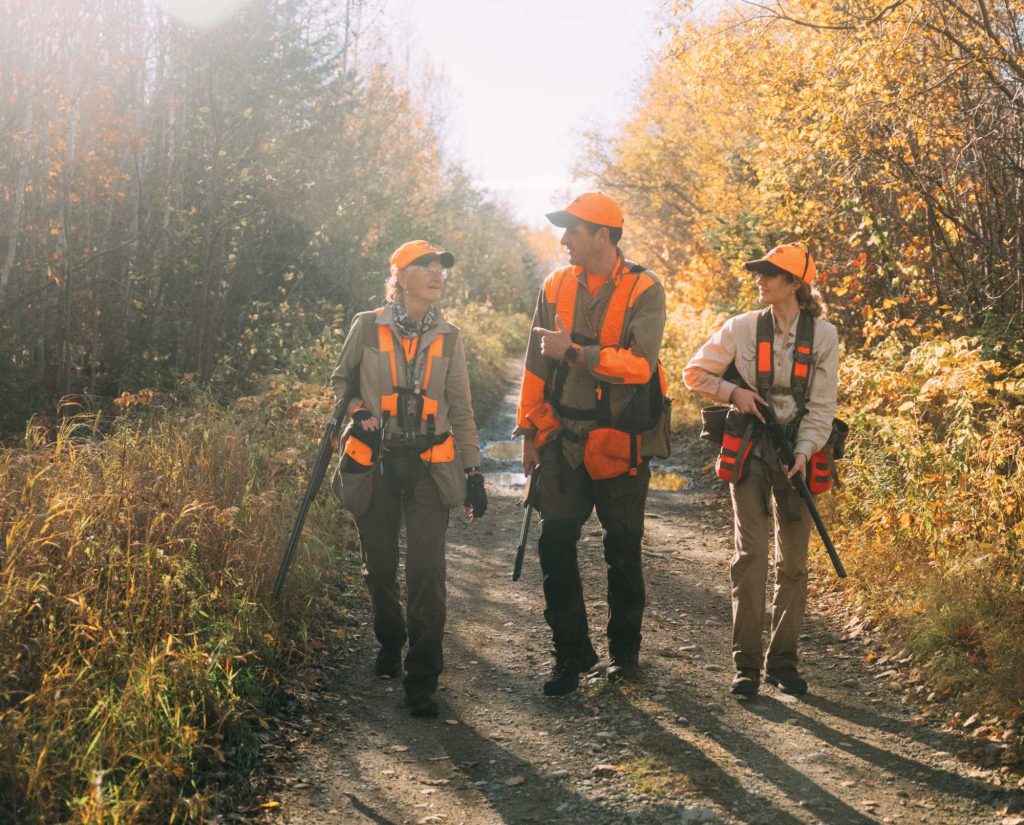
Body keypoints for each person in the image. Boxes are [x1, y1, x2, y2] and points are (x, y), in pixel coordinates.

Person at [515, 192, 669, 696]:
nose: (563, 240)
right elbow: (536, 365)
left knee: (622, 551)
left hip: (621, 442)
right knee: (554, 543)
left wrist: (578, 352)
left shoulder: (646, 289)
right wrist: (530, 432)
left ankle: (624, 654)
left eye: (572, 231)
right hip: (561, 438)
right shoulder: (555, 284)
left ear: (602, 235)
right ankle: (571, 654)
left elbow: (641, 366)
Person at [330, 240, 488, 717]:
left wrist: (474, 470)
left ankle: (422, 677)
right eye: (426, 265)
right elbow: (342, 382)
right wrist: (357, 412)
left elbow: (460, 408)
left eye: (441, 266)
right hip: (375, 463)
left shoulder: (450, 336)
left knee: (427, 574)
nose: (437, 273)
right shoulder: (367, 324)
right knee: (379, 568)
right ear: (400, 276)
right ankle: (390, 639)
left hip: (429, 467)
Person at [683, 243, 838, 697]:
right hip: (749, 450)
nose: (760, 279)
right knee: (749, 556)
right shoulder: (742, 327)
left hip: (797, 456)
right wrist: (735, 394)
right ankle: (746, 667)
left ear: (795, 283)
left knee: (794, 564)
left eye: (771, 274)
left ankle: (783, 664)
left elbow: (823, 407)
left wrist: (805, 452)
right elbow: (695, 373)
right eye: (760, 272)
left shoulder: (825, 335)